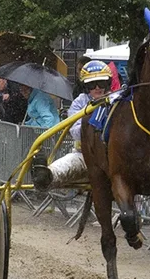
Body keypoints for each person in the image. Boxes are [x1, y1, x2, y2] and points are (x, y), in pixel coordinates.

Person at [31, 60, 112, 189]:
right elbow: (76, 133)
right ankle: (45, 176)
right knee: (68, 165)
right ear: (85, 86)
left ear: (108, 84)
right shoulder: (79, 103)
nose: (97, 88)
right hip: (85, 155)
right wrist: (93, 120)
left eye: (101, 83)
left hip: (113, 156)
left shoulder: (116, 100)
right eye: (92, 84)